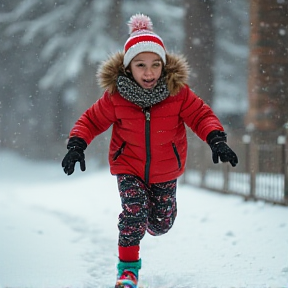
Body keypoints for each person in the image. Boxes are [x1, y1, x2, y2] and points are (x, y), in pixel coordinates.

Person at [61, 13, 238, 288]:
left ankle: (155, 220)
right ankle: (128, 271)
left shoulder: (177, 93)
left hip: (166, 169)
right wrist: (76, 145)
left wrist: (216, 138)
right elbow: (91, 120)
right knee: (134, 213)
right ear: (128, 67)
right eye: (140, 65)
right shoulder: (116, 97)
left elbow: (201, 115)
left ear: (163, 66)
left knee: (160, 224)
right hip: (128, 166)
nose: (149, 72)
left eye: (155, 64)